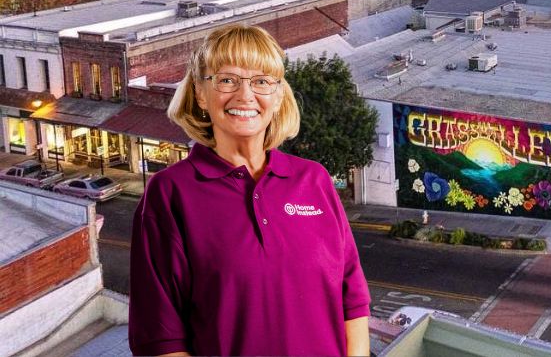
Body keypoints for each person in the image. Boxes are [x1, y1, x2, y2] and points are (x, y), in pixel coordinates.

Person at [128, 24, 371, 356]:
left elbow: (353, 300)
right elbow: (159, 340)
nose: (245, 96)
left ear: (277, 94)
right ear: (200, 92)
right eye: (227, 80)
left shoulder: (314, 180)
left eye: (261, 81)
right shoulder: (169, 194)